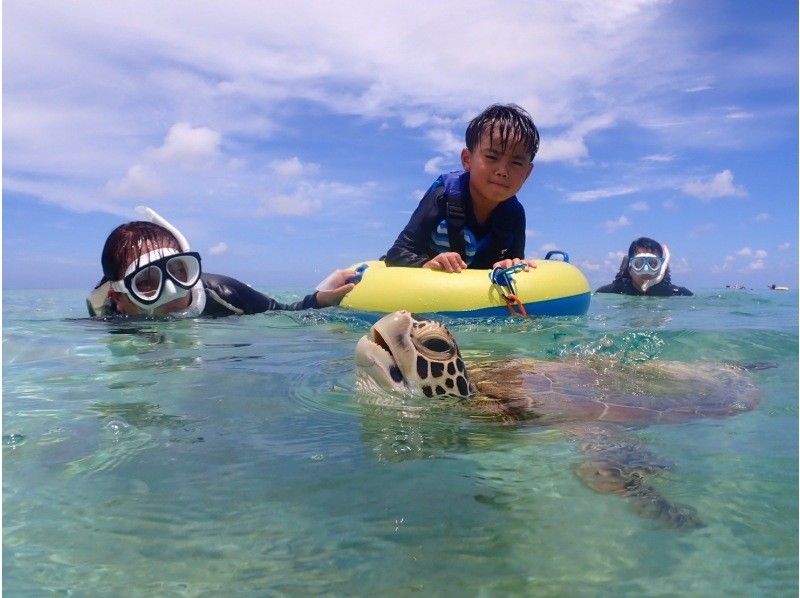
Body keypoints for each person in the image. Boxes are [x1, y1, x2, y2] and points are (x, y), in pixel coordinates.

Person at [87, 207, 357, 318]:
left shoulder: (222, 293)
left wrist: (320, 300)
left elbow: (282, 312)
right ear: (119, 299)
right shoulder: (108, 313)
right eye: (147, 283)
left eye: (179, 271)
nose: (172, 290)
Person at [383, 103, 540, 273]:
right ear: (467, 160)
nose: (502, 171)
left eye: (516, 162)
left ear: (527, 173)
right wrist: (427, 264)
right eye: (491, 157)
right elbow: (396, 254)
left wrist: (510, 265)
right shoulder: (443, 197)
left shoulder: (514, 214)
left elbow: (515, 260)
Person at [596, 237, 693, 296]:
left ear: (661, 267)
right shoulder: (606, 293)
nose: (646, 270)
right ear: (629, 268)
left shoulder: (680, 294)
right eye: (639, 263)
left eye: (653, 263)